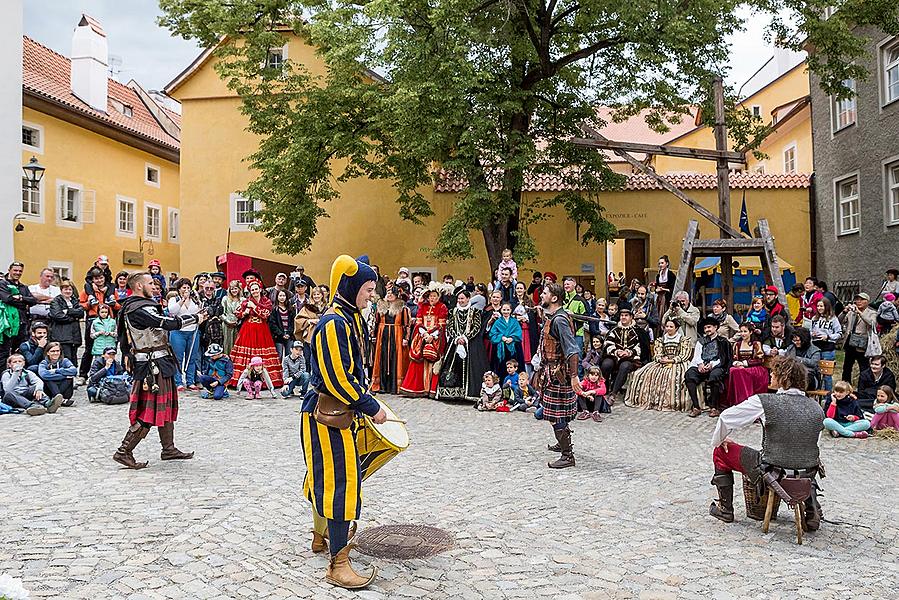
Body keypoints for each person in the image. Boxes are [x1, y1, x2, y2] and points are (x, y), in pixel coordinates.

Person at [299, 254, 387, 590]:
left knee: (329, 478)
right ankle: (338, 563)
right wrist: (370, 405)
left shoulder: (349, 318)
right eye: (367, 288)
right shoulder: (335, 323)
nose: (370, 295)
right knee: (342, 483)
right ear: (351, 286)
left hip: (335, 413)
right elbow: (337, 378)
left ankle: (321, 538)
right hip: (327, 414)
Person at [708, 356, 824, 531]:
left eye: (774, 373)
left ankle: (725, 509)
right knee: (803, 460)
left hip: (772, 470)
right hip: (807, 472)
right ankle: (810, 508)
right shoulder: (816, 408)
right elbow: (813, 442)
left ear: (783, 378)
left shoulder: (765, 402)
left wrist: (720, 440)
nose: (770, 376)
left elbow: (726, 418)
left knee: (720, 451)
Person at [112, 271, 207, 469]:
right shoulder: (138, 308)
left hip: (160, 361)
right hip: (150, 366)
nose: (154, 286)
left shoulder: (137, 306)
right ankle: (124, 451)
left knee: (166, 406)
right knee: (149, 411)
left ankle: (168, 448)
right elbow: (166, 323)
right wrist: (195, 318)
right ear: (139, 286)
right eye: (149, 283)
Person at [534, 282, 583, 469]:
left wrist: (573, 376)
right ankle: (562, 443)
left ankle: (567, 455)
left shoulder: (560, 320)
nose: (541, 295)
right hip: (551, 371)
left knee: (556, 415)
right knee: (556, 413)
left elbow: (572, 350)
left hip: (558, 373)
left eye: (545, 293)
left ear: (554, 298)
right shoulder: (554, 317)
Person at [625, 318, 694, 411]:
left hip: (678, 363)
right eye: (667, 326)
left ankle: (673, 403)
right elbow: (657, 353)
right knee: (642, 374)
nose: (668, 328)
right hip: (662, 362)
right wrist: (661, 358)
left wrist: (672, 360)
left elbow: (685, 355)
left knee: (673, 377)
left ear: (676, 328)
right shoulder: (661, 340)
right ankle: (652, 400)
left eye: (671, 327)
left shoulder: (683, 340)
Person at [436, 289, 488, 402]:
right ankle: (453, 393)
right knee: (453, 366)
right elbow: (450, 326)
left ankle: (469, 393)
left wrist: (465, 338)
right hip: (455, 343)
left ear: (468, 299)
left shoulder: (475, 311)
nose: (460, 301)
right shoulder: (453, 311)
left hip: (471, 343)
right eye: (459, 299)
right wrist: (457, 337)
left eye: (462, 298)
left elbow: (477, 327)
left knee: (472, 367)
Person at [229, 281, 283, 389]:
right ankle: (242, 380)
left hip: (262, 330)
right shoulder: (246, 301)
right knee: (245, 352)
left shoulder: (266, 301)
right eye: (252, 290)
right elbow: (237, 312)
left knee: (263, 352)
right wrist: (244, 313)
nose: (254, 291)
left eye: (256, 289)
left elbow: (265, 315)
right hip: (248, 329)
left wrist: (254, 306)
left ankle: (265, 381)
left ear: (260, 289)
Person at [399, 287, 448, 398]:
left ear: (438, 297)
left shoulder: (442, 307)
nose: (432, 298)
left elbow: (441, 325)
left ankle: (431, 390)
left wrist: (432, 336)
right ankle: (418, 388)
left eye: (434, 296)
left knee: (433, 361)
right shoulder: (423, 306)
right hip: (422, 337)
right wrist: (424, 334)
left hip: (436, 338)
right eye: (430, 296)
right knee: (418, 362)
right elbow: (419, 322)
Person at [684, 317, 732, 418]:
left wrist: (712, 365)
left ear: (715, 327)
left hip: (716, 366)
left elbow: (723, 358)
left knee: (715, 376)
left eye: (709, 327)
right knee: (689, 375)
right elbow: (697, 355)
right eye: (705, 328)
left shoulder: (723, 342)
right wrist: (700, 364)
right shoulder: (700, 341)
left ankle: (714, 407)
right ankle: (696, 407)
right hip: (702, 365)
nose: (707, 330)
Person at [600, 307, 649, 402]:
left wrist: (629, 352)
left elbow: (640, 346)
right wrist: (616, 351)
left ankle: (613, 393)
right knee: (606, 364)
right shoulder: (614, 330)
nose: (623, 317)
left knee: (625, 366)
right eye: (622, 315)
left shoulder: (638, 331)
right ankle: (604, 389)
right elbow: (608, 343)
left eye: (626, 315)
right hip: (614, 356)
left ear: (631, 317)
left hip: (630, 358)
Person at [370, 286, 412, 395]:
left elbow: (407, 325)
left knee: (395, 358)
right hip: (382, 334)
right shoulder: (381, 306)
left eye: (391, 293)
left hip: (396, 334)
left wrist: (406, 338)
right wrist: (374, 335)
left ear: (396, 295)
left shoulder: (402, 308)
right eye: (388, 293)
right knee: (382, 358)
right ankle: (382, 386)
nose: (389, 295)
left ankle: (394, 386)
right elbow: (376, 322)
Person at [78, 268, 117, 381]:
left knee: (109, 347)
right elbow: (81, 304)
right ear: (92, 279)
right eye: (96, 278)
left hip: (109, 321)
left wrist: (114, 305)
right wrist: (89, 304)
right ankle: (83, 375)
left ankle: (110, 372)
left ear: (104, 278)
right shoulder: (88, 290)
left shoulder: (110, 289)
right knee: (89, 348)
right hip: (93, 319)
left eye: (101, 277)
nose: (99, 280)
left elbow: (118, 305)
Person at [167, 278, 202, 391]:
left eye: (188, 287)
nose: (186, 290)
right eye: (184, 288)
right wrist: (182, 300)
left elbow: (199, 311)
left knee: (192, 357)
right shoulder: (174, 299)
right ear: (179, 289)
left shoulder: (195, 299)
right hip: (178, 331)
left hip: (192, 331)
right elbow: (172, 311)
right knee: (178, 358)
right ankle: (178, 382)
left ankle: (190, 381)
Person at [0, 262, 38, 365]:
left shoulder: (23, 287)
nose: (18, 273)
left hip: (22, 323)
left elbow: (33, 301)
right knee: (3, 353)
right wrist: (23, 303)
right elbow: (7, 299)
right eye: (15, 270)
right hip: (7, 325)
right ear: (9, 270)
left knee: (19, 351)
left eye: (20, 271)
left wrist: (21, 298)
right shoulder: (3, 284)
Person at [724, 323, 769, 407]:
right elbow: (734, 358)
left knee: (739, 371)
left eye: (745, 331)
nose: (743, 334)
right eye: (741, 331)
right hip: (741, 368)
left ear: (751, 332)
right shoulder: (737, 344)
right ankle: (738, 400)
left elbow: (760, 359)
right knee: (733, 370)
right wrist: (737, 363)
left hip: (755, 368)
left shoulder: (756, 344)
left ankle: (746, 400)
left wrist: (745, 363)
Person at [840, 292, 877, 384]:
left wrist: (860, 313)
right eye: (857, 299)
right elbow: (839, 321)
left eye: (861, 300)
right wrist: (844, 311)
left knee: (864, 368)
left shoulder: (872, 313)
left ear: (867, 301)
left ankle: (863, 387)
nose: (858, 302)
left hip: (862, 344)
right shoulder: (851, 312)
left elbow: (871, 323)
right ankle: (845, 386)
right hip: (850, 342)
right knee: (847, 367)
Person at [48, 280, 84, 365]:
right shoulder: (56, 301)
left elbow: (81, 313)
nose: (68, 291)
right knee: (65, 359)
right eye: (65, 289)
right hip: (62, 335)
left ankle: (72, 377)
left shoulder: (75, 301)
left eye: (70, 289)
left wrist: (67, 311)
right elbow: (58, 315)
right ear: (61, 290)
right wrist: (73, 317)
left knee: (74, 360)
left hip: (74, 336)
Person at [810, 298, 842, 391]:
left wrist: (828, 337)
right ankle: (816, 391)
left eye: (821, 306)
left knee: (826, 374)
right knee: (815, 371)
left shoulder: (833, 319)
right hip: (816, 347)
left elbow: (839, 333)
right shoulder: (814, 318)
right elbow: (810, 330)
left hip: (827, 348)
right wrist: (812, 334)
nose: (819, 308)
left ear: (826, 307)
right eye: (818, 306)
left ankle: (827, 394)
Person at [295, 286, 326, 370]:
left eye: (318, 294)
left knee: (321, 358)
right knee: (308, 359)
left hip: (323, 335)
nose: (316, 296)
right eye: (314, 294)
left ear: (322, 295)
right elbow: (298, 320)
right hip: (309, 336)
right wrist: (309, 321)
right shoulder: (307, 307)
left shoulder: (327, 307)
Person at [488, 302, 524, 375]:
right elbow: (492, 334)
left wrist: (512, 338)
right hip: (501, 348)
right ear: (501, 310)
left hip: (514, 348)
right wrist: (501, 337)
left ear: (511, 310)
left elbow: (519, 333)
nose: (506, 312)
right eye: (504, 310)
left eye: (508, 310)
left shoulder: (515, 321)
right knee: (501, 368)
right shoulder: (497, 322)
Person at [562, 277, 587, 358]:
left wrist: (573, 315)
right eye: (565, 284)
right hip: (563, 332)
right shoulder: (561, 299)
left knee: (578, 358)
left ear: (574, 284)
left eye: (568, 284)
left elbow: (586, 317)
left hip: (577, 333)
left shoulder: (580, 300)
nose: (566, 286)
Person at [269, 289, 296, 359]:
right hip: (278, 336)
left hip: (289, 335)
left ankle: (288, 369)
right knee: (279, 355)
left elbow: (293, 323)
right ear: (277, 297)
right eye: (280, 295)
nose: (282, 297)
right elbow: (272, 324)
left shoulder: (290, 309)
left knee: (289, 355)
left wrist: (289, 333)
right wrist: (281, 334)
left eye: (284, 295)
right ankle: (279, 370)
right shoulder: (274, 309)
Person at [220, 280, 244, 356]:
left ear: (239, 289)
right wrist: (228, 321)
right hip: (227, 325)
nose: (234, 290)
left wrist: (238, 322)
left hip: (238, 325)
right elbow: (221, 313)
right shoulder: (225, 299)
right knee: (227, 344)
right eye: (232, 288)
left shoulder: (243, 300)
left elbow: (245, 314)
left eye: (235, 288)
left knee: (238, 344)